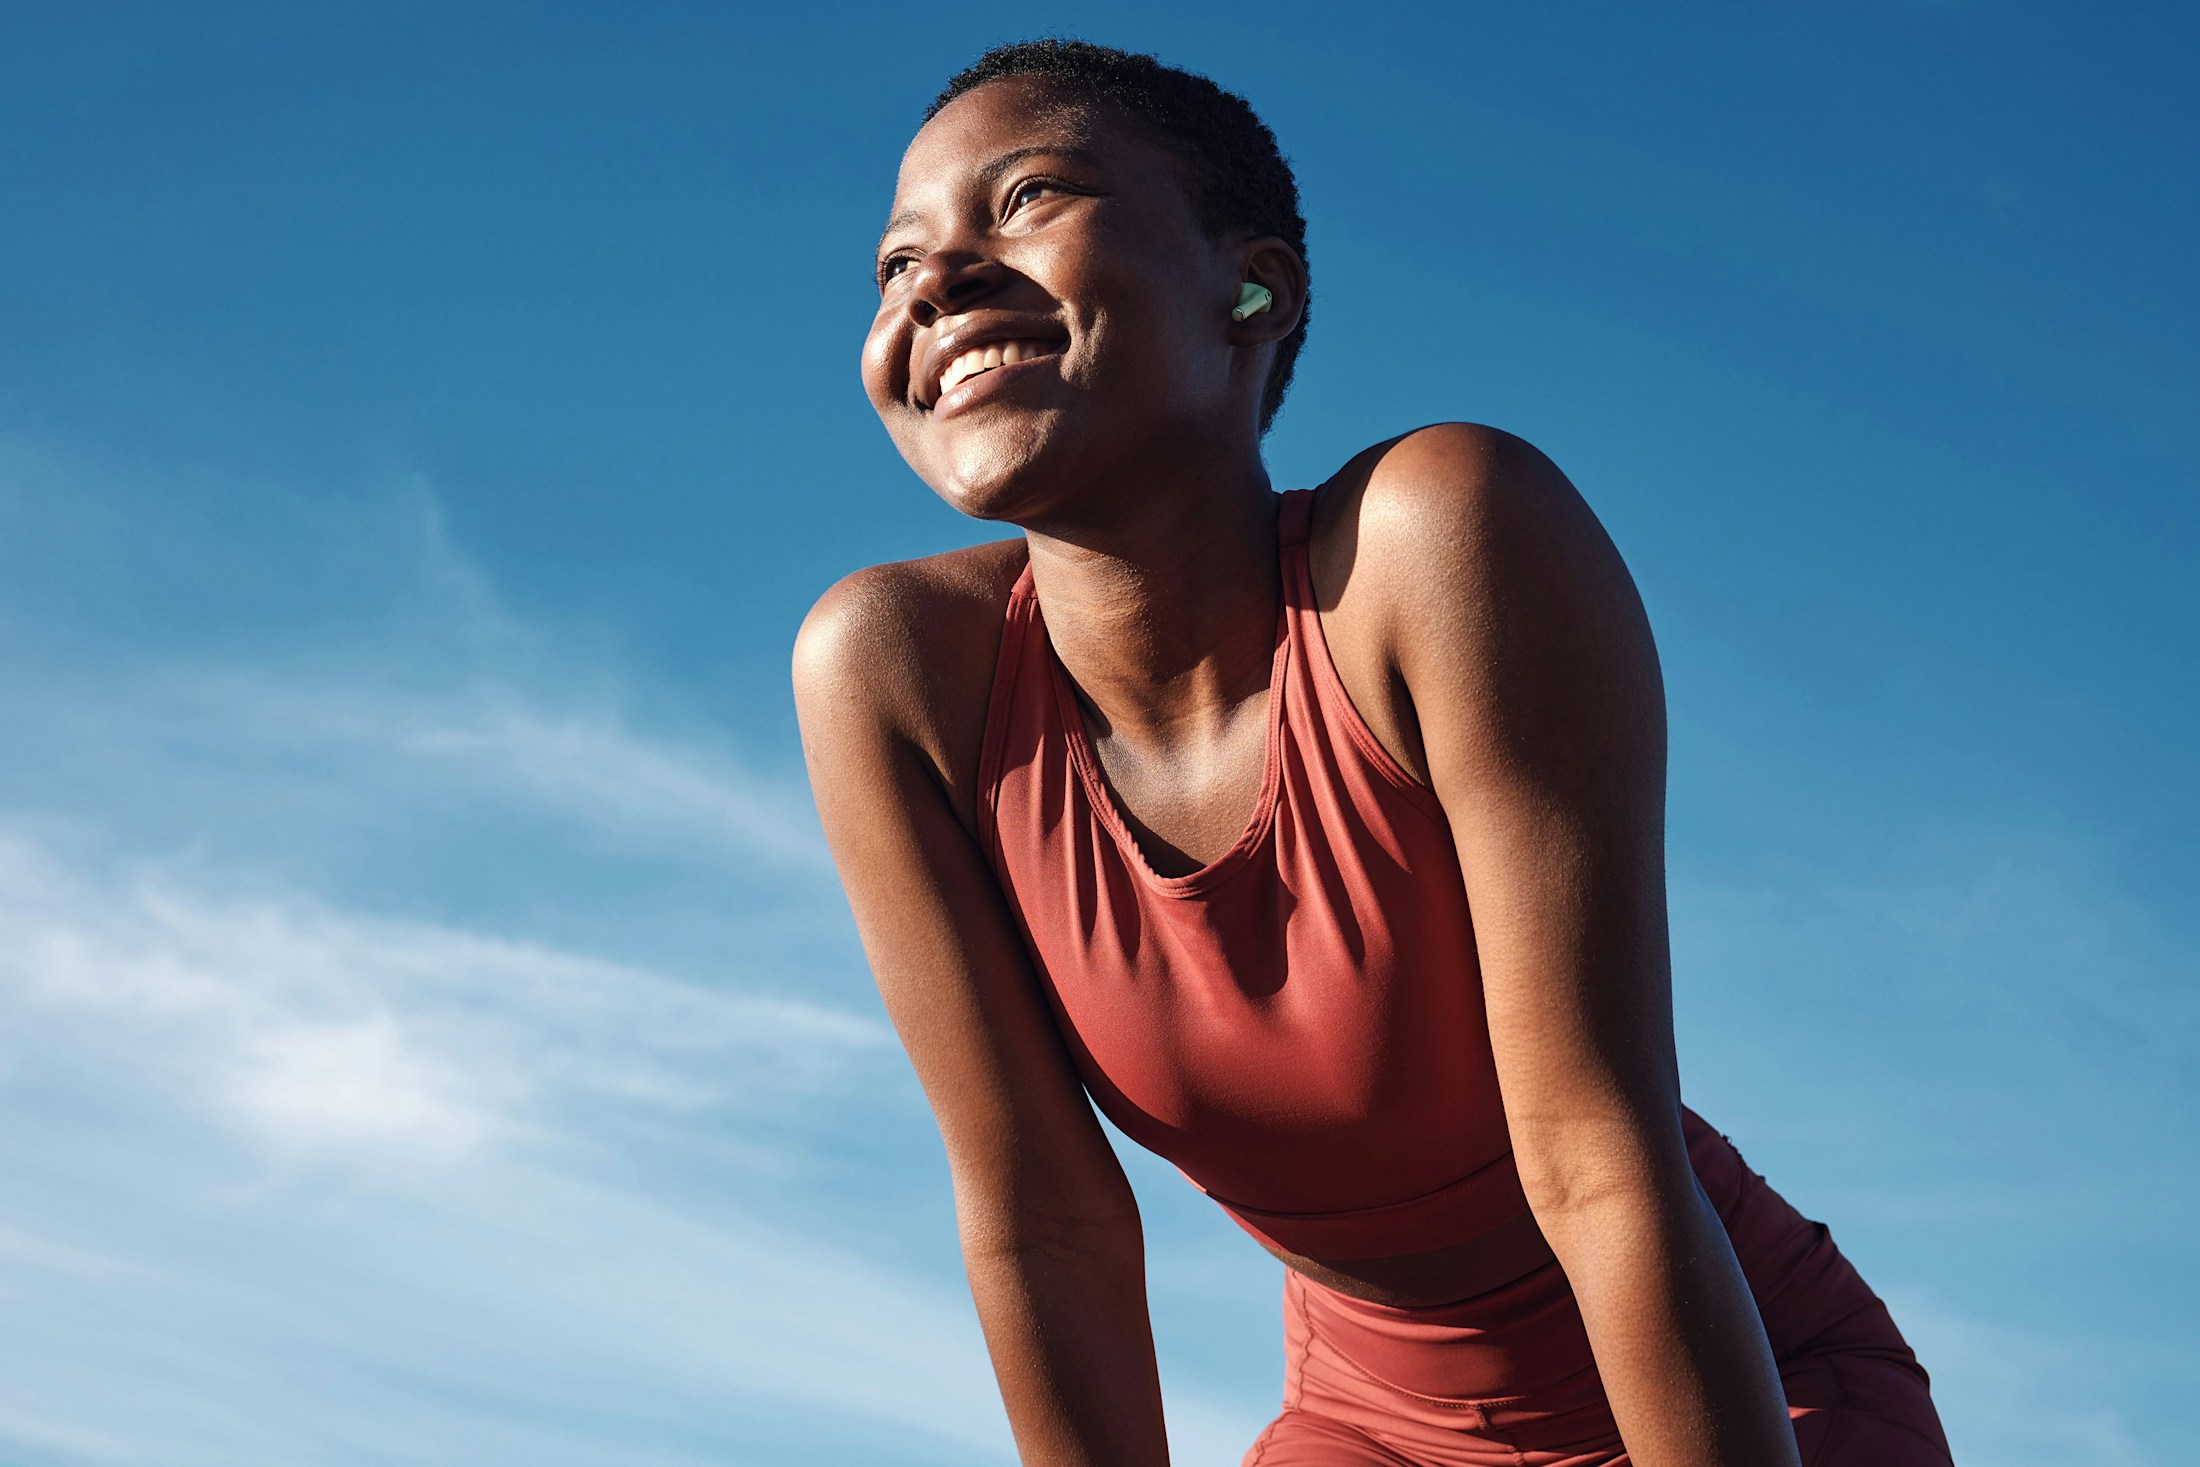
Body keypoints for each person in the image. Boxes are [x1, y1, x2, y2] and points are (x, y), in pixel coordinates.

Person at [793, 38, 1952, 1467]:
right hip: (1372, 1427)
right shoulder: (894, 675)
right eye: (896, 264)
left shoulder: (1436, 540)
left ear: (1254, 288)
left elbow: (1597, 1159)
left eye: (1027, 198)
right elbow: (1044, 1216)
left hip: (1737, 1388)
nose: (935, 282)